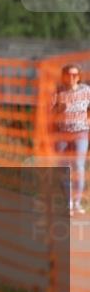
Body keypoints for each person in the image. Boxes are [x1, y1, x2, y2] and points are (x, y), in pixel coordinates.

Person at [52, 64, 90, 215]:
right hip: (62, 133)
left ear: (79, 76)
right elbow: (49, 113)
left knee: (79, 166)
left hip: (81, 132)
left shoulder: (86, 90)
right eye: (69, 74)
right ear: (64, 76)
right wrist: (58, 109)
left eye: (75, 75)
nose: (72, 77)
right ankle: (68, 202)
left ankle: (77, 202)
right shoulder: (58, 91)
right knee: (63, 169)